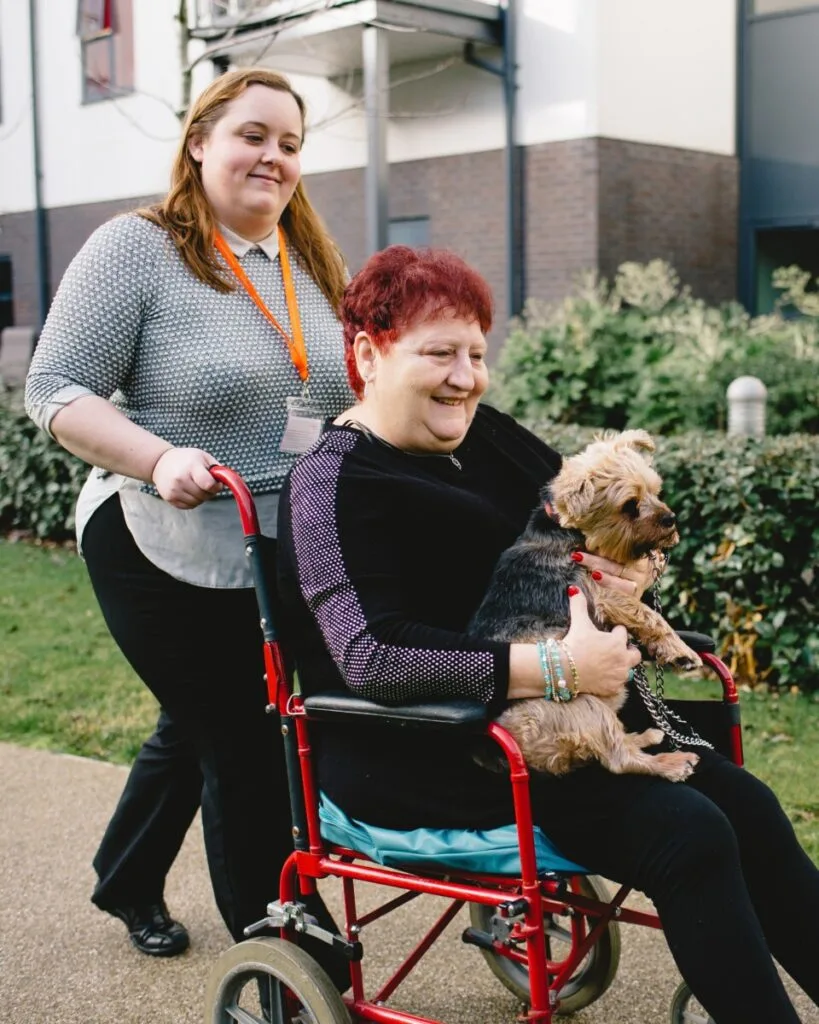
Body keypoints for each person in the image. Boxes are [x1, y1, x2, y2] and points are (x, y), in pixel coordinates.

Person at [276, 245, 819, 1024]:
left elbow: (598, 531)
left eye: (475, 353)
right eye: (439, 354)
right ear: (368, 353)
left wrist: (633, 584)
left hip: (559, 732)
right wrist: (557, 667)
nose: (464, 376)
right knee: (689, 833)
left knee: (746, 803)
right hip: (422, 751)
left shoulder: (489, 435)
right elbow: (370, 655)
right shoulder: (331, 481)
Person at [24, 68, 353, 962]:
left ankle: (126, 876)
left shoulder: (314, 263)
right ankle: (280, 936)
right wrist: (157, 454)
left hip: (271, 541)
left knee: (203, 716)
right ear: (199, 142)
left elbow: (352, 393)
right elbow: (53, 389)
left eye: (290, 144)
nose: (273, 158)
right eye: (253, 135)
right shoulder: (137, 248)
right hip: (151, 530)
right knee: (243, 730)